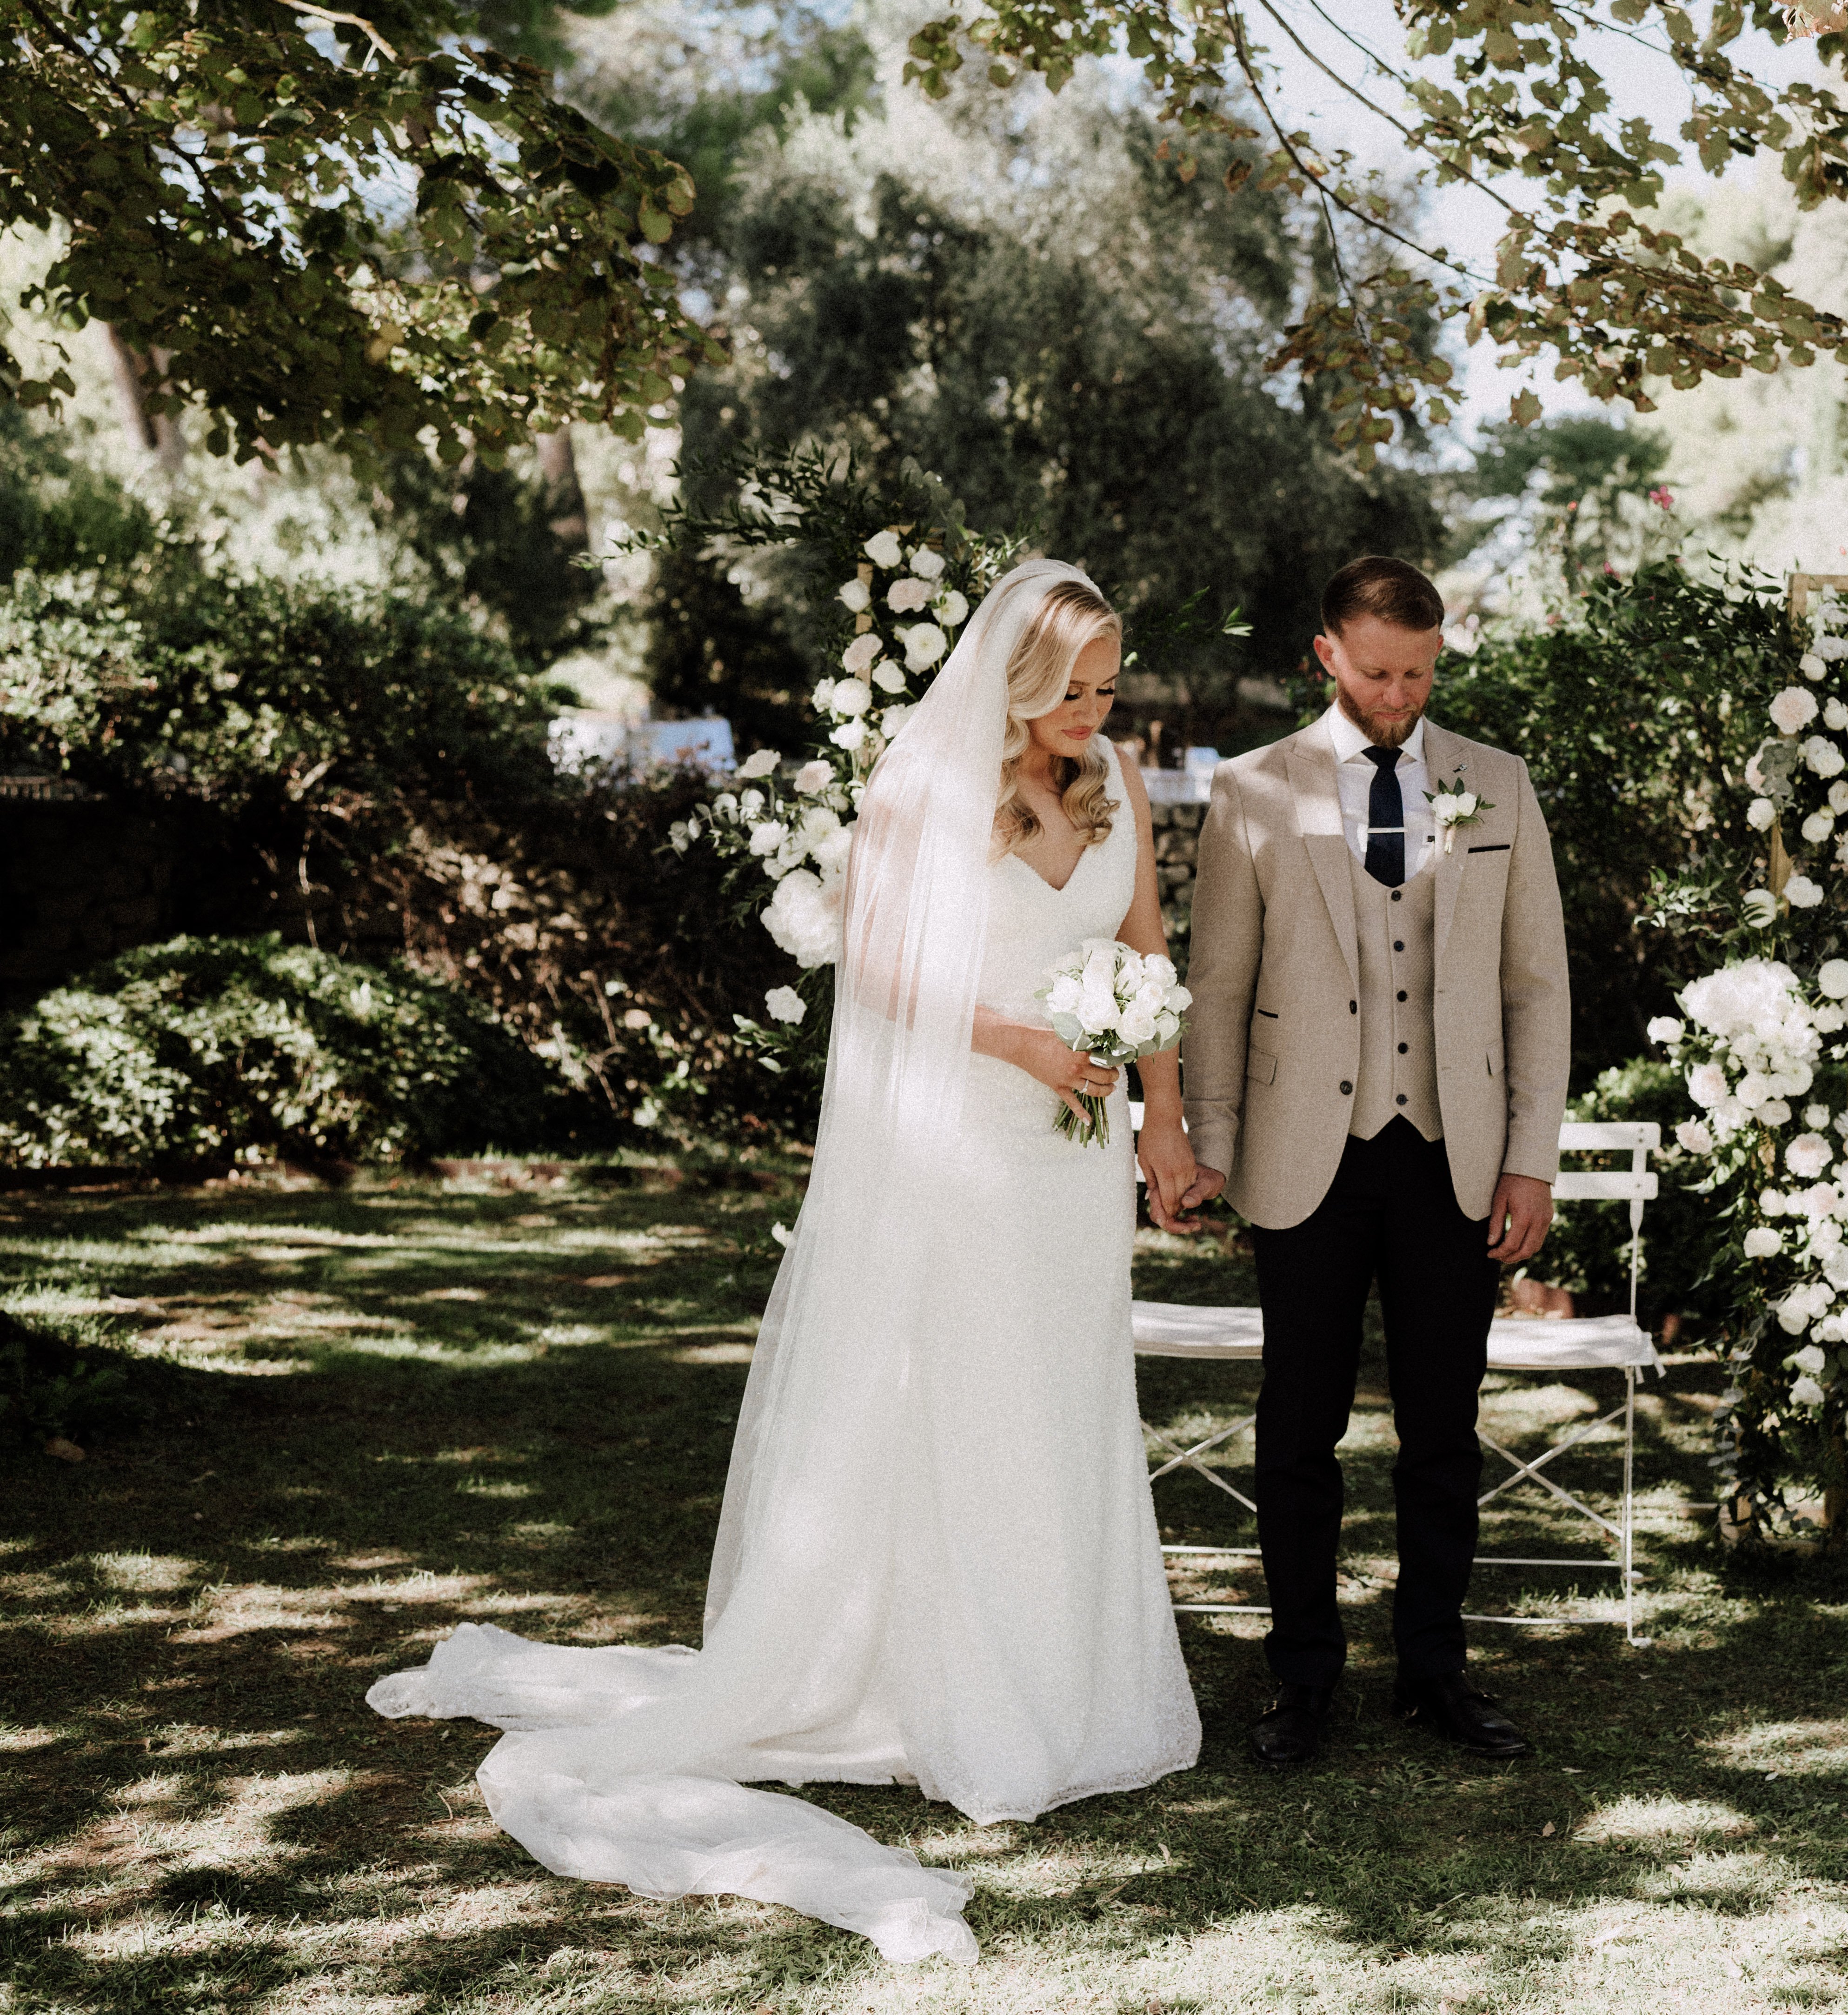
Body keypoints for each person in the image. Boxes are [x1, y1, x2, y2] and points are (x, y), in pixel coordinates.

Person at [367, 561, 1204, 1962]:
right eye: (1074, 687)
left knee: (1060, 1406)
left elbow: (1147, 949)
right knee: (966, 1403)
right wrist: (1025, 1041)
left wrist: (1157, 1115)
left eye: (1110, 684)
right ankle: (954, 1688)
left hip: (1074, 1164)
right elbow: (878, 969)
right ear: (1014, 678)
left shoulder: (1112, 775)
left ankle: (1076, 1686)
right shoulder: (926, 781)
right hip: (967, 1149)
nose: (1096, 708)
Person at [1176, 555, 1570, 1767]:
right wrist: (1209, 1145)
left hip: (1451, 1152)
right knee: (1298, 1425)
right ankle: (1300, 1676)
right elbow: (1219, 990)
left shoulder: (1494, 783)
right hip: (1307, 1154)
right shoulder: (1250, 791)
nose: (1399, 692)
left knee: (1443, 1427)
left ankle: (1432, 1668)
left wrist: (1530, 1160)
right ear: (1327, 655)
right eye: (1378, 669)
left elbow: (1534, 986)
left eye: (1419, 670)